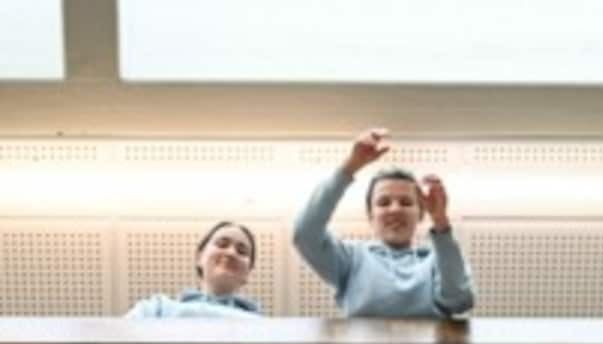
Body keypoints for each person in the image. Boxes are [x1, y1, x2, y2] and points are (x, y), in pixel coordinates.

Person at [293, 128, 474, 318]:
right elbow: (305, 234)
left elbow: (458, 300)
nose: (395, 209)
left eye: (406, 202)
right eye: (383, 202)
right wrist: (350, 166)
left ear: (420, 214)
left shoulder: (439, 259)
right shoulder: (351, 258)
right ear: (370, 215)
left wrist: (440, 221)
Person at [126, 221, 264, 319]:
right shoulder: (156, 309)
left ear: (248, 273)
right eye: (222, 244)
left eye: (242, 251)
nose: (231, 252)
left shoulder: (267, 329)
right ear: (199, 257)